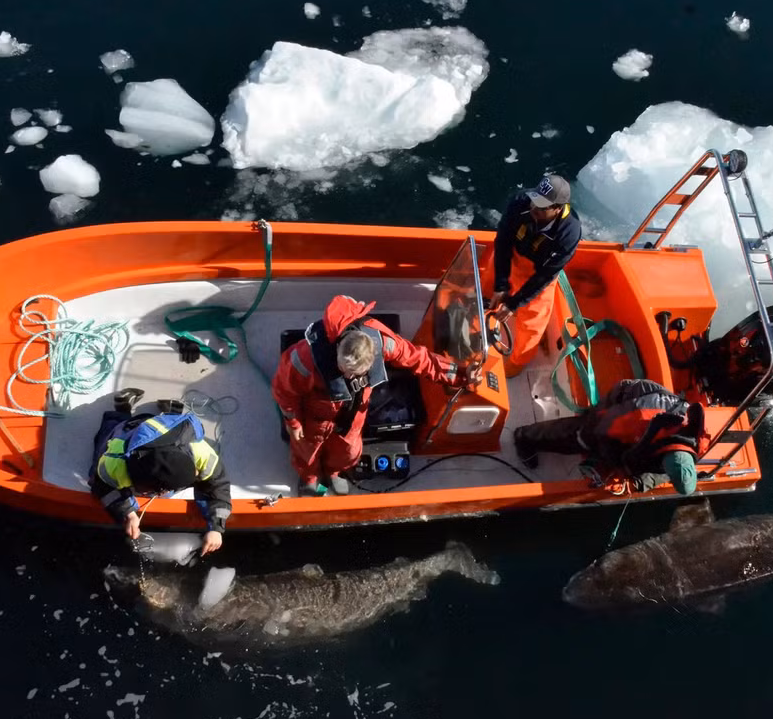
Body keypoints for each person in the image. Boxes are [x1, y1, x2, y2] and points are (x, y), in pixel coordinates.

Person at [272, 295, 468, 496]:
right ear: (338, 349)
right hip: (316, 414)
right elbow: (284, 391)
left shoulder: (383, 343)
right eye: (344, 370)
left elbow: (417, 357)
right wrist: (293, 422)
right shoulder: (304, 358)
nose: (348, 376)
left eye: (355, 374)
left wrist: (458, 374)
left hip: (353, 414)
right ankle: (309, 479)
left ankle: (334, 472)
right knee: (307, 450)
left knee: (348, 451)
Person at [89, 388, 232, 552]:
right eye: (158, 490)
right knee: (107, 436)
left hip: (170, 432)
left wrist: (216, 527)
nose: (162, 494)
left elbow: (217, 483)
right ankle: (122, 409)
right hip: (131, 430)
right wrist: (127, 512)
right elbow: (101, 485)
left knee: (168, 425)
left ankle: (173, 412)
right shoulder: (115, 465)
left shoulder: (200, 454)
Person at [513, 379, 705, 495]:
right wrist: (610, 464)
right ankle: (524, 436)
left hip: (643, 417)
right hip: (626, 401)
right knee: (582, 435)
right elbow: (602, 428)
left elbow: (666, 472)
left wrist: (637, 483)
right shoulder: (637, 418)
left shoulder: (693, 443)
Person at [486, 173, 582, 377]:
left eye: (542, 207)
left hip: (539, 271)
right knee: (489, 285)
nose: (534, 209)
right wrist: (501, 284)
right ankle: (482, 314)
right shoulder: (521, 202)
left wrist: (513, 304)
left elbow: (545, 275)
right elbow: (502, 240)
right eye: (534, 201)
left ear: (558, 208)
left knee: (532, 318)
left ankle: (516, 362)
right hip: (512, 255)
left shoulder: (569, 233)